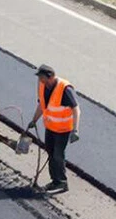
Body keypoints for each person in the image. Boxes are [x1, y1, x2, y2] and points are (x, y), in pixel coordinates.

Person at [27, 64, 80, 193]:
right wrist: (34, 120)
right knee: (50, 152)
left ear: (50, 77)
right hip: (50, 127)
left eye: (42, 78)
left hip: (62, 129)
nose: (40, 81)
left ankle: (61, 182)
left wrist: (75, 130)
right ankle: (55, 181)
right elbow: (42, 105)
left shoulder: (64, 89)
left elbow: (76, 109)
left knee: (57, 154)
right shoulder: (43, 86)